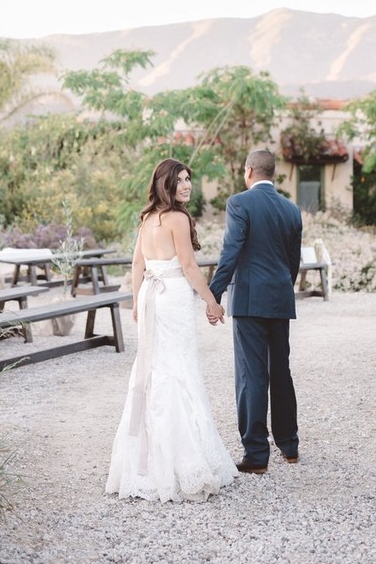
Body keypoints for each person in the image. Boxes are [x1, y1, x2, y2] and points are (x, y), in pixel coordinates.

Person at [106, 157, 238, 502]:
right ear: (164, 184)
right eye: (179, 180)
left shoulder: (147, 218)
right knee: (180, 369)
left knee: (153, 368)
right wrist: (212, 302)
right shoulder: (177, 218)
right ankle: (185, 463)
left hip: (152, 295)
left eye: (188, 179)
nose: (186, 185)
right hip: (172, 297)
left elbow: (138, 263)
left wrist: (138, 301)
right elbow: (189, 266)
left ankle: (147, 465)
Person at [207, 148, 302, 474]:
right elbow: (293, 262)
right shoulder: (291, 209)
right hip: (280, 298)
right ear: (272, 173)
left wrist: (213, 293)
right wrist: (281, 288)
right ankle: (289, 446)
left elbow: (231, 250)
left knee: (252, 374)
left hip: (249, 300)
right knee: (281, 370)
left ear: (249, 171)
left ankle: (256, 454)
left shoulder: (239, 203)